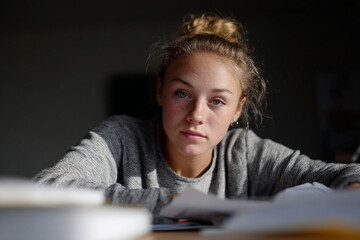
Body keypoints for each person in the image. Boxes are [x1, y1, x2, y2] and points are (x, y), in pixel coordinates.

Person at [33, 13, 360, 222]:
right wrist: (174, 202)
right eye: (182, 94)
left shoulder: (245, 154)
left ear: (238, 111)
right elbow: (49, 188)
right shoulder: (120, 138)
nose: (196, 116)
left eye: (217, 101)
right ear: (160, 91)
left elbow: (347, 174)